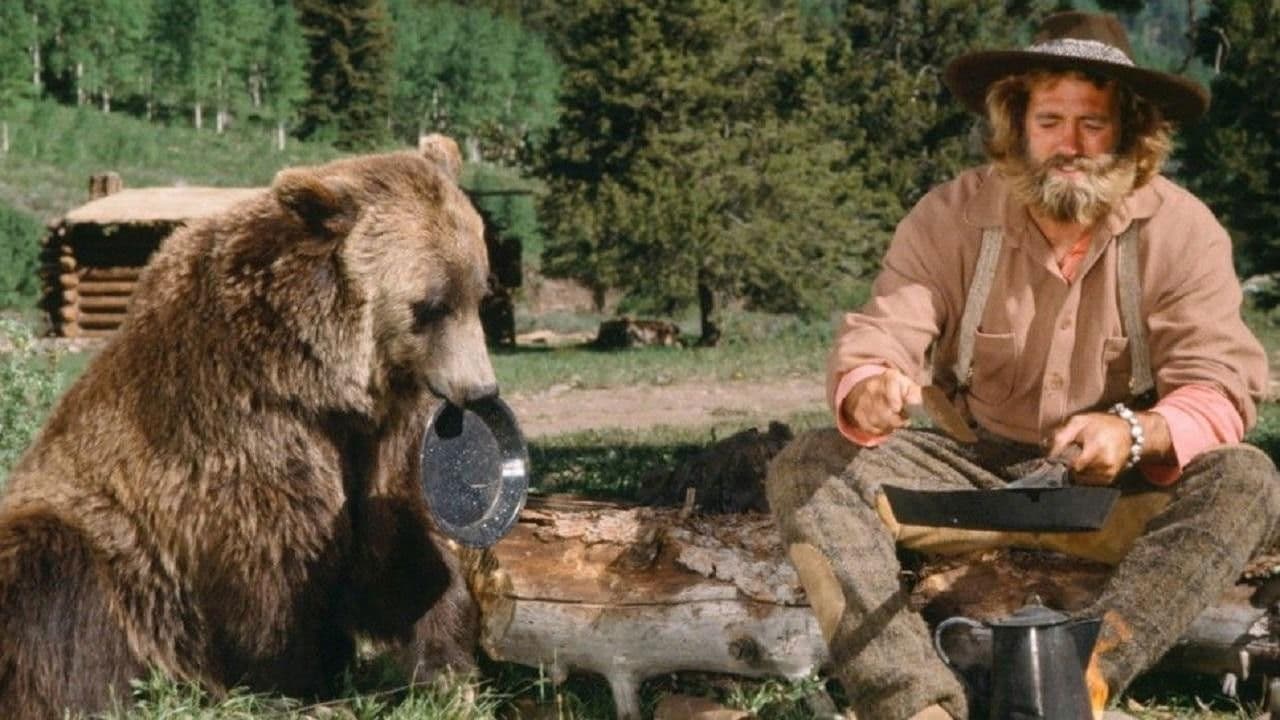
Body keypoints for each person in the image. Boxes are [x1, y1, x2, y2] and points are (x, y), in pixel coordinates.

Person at [766, 11, 1280, 720]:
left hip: (1117, 492)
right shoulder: (948, 217)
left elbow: (1219, 385)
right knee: (808, 465)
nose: (1070, 144)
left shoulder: (1182, 229)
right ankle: (912, 702)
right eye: (1049, 121)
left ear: (1130, 132)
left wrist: (1133, 434)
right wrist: (871, 387)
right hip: (971, 478)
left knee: (1246, 478)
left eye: (1093, 124)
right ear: (1015, 123)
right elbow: (886, 329)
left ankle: (1086, 677)